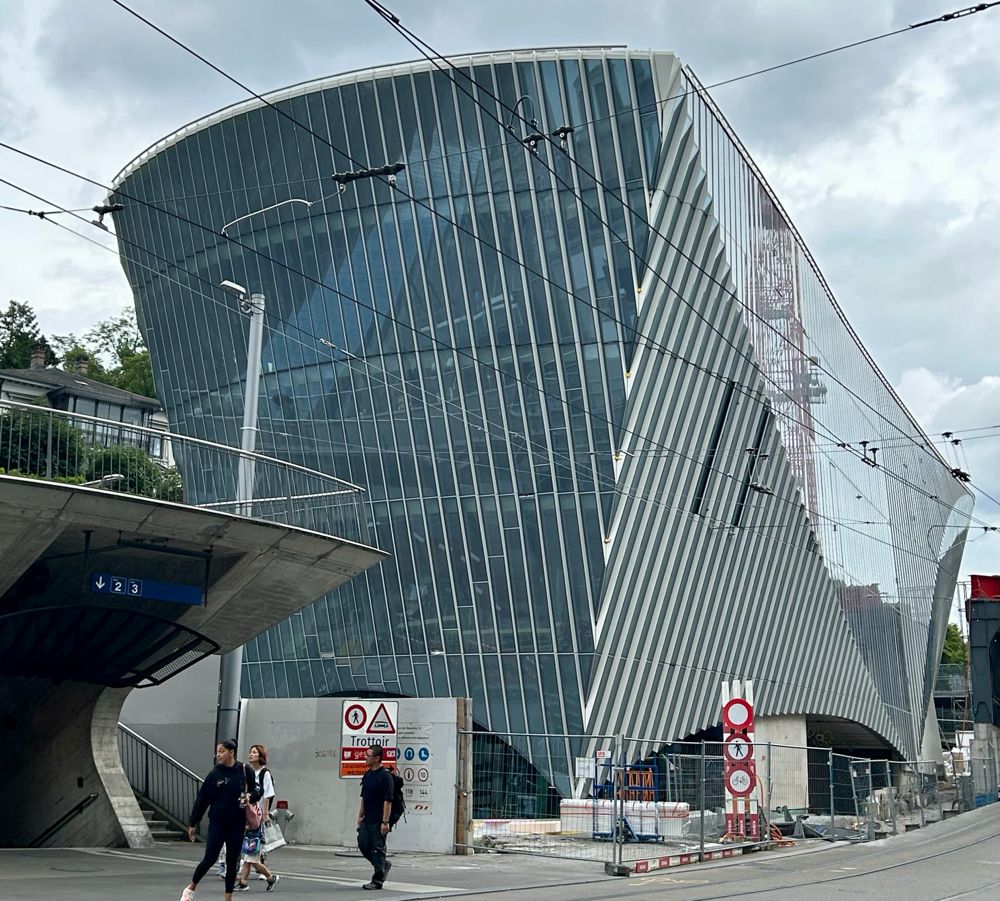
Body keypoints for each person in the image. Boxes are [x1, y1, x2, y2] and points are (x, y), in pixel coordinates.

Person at [181, 739, 261, 901]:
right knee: (210, 858)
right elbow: (202, 799)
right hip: (217, 822)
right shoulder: (215, 774)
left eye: (221, 751)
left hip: (237, 823)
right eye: (217, 751)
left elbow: (257, 791)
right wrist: (193, 822)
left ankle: (228, 898)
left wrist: (250, 796)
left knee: (233, 862)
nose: (218, 755)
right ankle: (190, 889)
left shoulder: (245, 771)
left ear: (231, 753)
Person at [234, 744, 279, 892]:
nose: (251, 755)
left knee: (251, 853)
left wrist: (265, 813)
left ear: (261, 756)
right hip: (246, 812)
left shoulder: (264, 773)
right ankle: (244, 881)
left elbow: (267, 794)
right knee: (248, 852)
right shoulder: (246, 772)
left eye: (254, 753)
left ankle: (270, 877)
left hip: (256, 815)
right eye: (250, 752)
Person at [356, 744, 394, 890]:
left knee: (378, 848)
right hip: (368, 817)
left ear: (377, 758)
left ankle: (377, 880)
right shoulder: (368, 774)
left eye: (368, 755)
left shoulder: (385, 776)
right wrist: (360, 815)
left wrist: (385, 821)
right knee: (363, 844)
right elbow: (364, 797)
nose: (365, 758)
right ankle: (383, 865)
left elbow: (388, 800)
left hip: (379, 819)